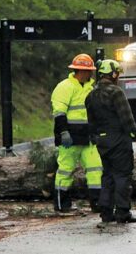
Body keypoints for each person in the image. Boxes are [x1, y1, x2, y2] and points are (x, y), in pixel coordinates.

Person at [85, 59, 136, 225]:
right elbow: (127, 118)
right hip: (118, 140)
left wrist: (95, 138)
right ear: (113, 74)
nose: (118, 77)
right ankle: (123, 212)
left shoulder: (91, 95)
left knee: (108, 176)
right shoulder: (116, 93)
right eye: (117, 73)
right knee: (122, 176)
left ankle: (105, 212)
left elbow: (91, 122)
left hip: (102, 142)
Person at [50, 53, 103, 212]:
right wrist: (63, 132)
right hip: (70, 138)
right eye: (88, 71)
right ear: (79, 71)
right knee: (65, 170)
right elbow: (59, 112)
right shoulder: (64, 87)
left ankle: (98, 204)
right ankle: (61, 205)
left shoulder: (91, 88)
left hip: (88, 137)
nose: (90, 73)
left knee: (95, 169)